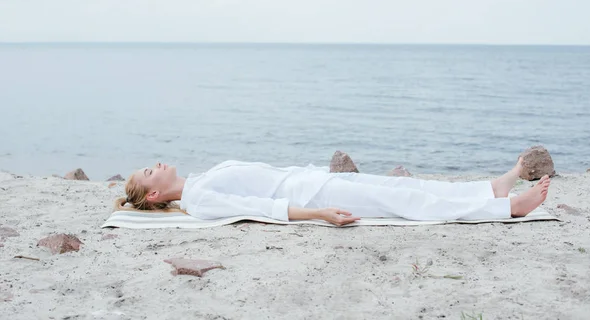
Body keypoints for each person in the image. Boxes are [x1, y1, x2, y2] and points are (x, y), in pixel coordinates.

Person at [123, 158, 550, 226]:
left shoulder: (201, 177)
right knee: (403, 203)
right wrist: (320, 214)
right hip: (310, 196)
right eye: (149, 171)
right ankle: (506, 210)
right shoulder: (198, 200)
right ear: (155, 196)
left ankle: (491, 189)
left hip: (312, 179)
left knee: (403, 185)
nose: (157, 164)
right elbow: (261, 208)